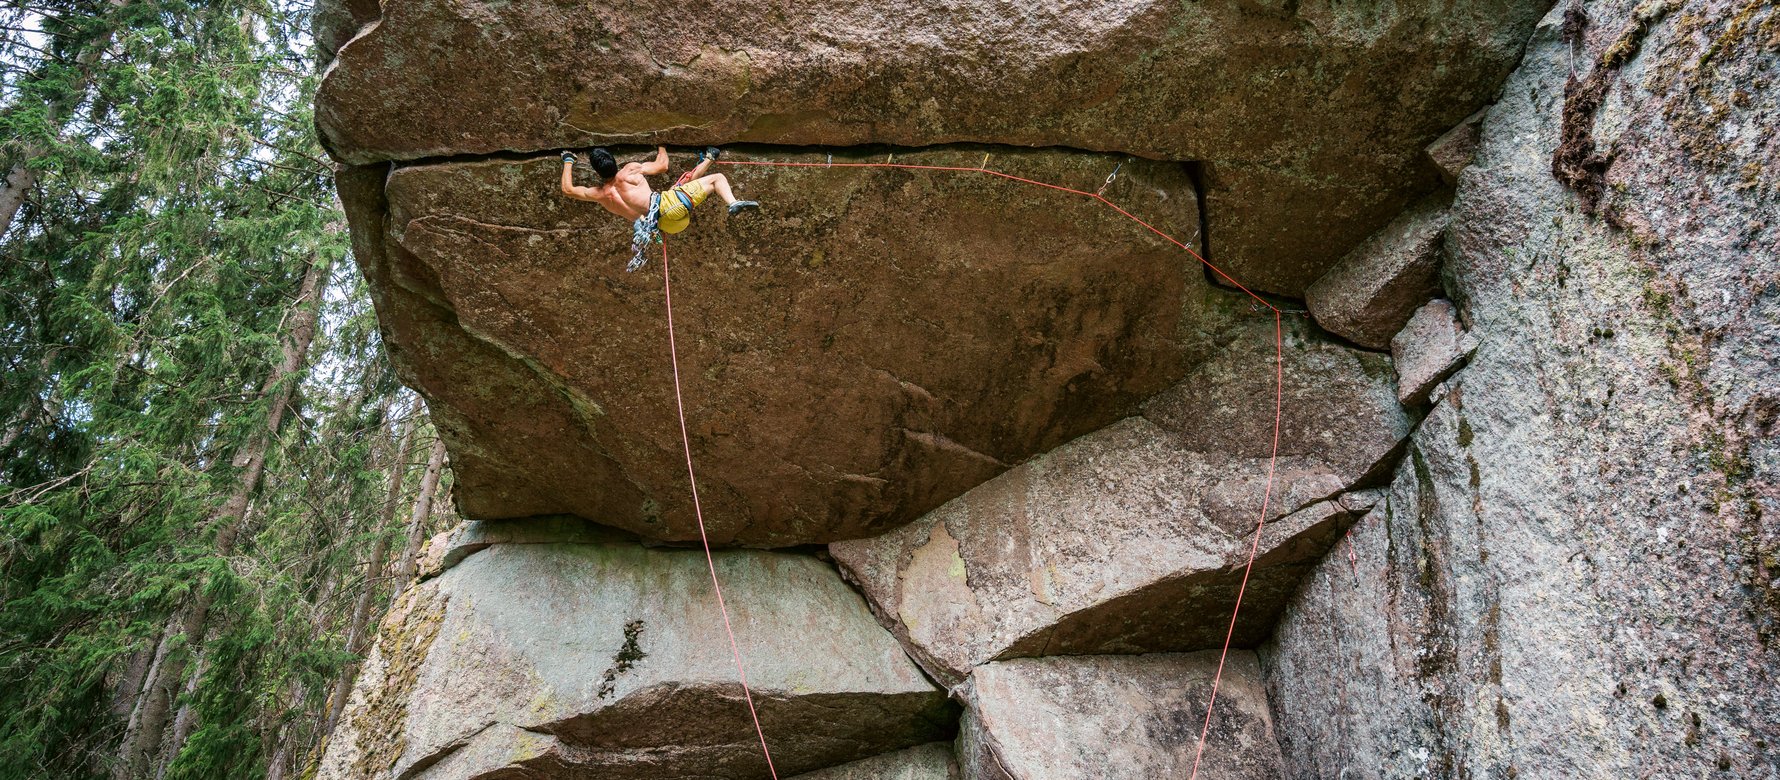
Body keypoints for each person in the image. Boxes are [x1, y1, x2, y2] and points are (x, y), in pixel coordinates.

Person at [560, 145, 759, 271]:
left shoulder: (600, 194)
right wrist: (662, 145)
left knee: (681, 187)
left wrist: (568, 160)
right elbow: (662, 165)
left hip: (667, 226)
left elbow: (568, 190)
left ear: (597, 171)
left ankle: (709, 157)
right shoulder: (629, 171)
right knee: (717, 179)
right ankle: (733, 202)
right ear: (613, 161)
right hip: (670, 206)